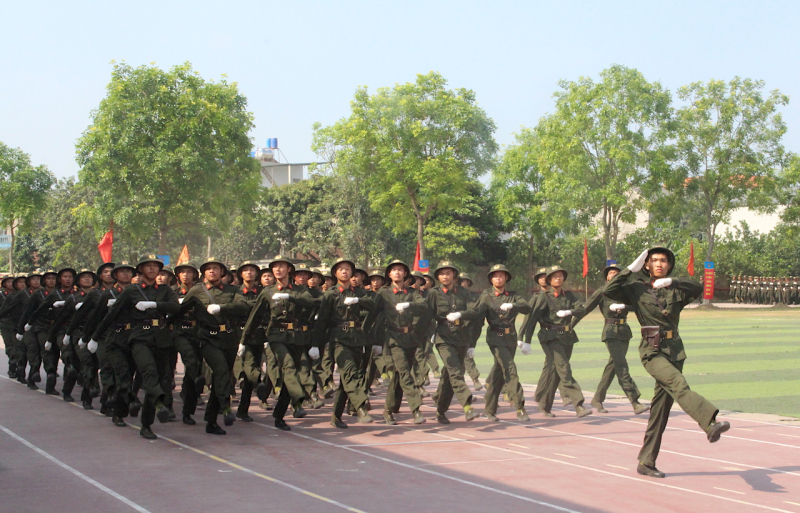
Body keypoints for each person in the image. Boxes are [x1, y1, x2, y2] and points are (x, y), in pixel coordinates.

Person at [604, 247, 730, 478]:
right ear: (647, 265)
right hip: (652, 351)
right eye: (654, 260)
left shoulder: (675, 290)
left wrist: (674, 281)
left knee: (661, 410)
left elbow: (698, 288)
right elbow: (609, 289)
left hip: (674, 351)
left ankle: (646, 461)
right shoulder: (636, 289)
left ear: (669, 265)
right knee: (679, 384)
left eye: (663, 260)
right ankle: (709, 423)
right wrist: (630, 269)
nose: (659, 264)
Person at [89, 256, 181, 439]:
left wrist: (156, 304)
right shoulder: (132, 291)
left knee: (159, 379)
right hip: (140, 337)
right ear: (140, 270)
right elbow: (111, 315)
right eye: (148, 266)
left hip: (161, 339)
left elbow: (175, 308)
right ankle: (157, 405)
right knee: (148, 373)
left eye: (155, 266)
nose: (152, 269)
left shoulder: (165, 290)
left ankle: (146, 424)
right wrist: (94, 337)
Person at [181, 257, 250, 435]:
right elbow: (183, 312)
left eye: (215, 268)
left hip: (228, 338)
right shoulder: (197, 290)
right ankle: (225, 407)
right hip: (207, 338)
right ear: (204, 273)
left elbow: (243, 306)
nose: (212, 271)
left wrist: (222, 308)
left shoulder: (232, 290)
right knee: (221, 371)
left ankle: (211, 421)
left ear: (222, 272)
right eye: (208, 268)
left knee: (222, 377)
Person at [520, 265, 592, 418]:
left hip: (567, 336)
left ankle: (544, 405)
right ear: (549, 280)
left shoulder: (569, 295)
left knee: (556, 372)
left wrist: (569, 311)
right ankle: (579, 404)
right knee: (564, 369)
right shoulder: (544, 297)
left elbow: (582, 310)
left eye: (560, 275)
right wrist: (527, 340)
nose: (558, 278)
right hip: (550, 337)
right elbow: (533, 319)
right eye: (554, 276)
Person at [577, 264, 649, 415]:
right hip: (610, 331)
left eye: (617, 273)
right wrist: (570, 325)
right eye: (611, 273)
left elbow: (637, 306)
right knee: (622, 366)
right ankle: (635, 401)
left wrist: (624, 307)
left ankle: (597, 398)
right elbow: (585, 309)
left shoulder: (625, 292)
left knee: (613, 366)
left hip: (624, 332)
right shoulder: (602, 291)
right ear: (607, 277)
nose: (614, 275)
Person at [363, 260, 428, 425]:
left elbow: (424, 307)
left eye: (400, 270)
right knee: (405, 373)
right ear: (389, 274)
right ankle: (416, 409)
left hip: (410, 338)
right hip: (393, 338)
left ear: (405, 273)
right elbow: (373, 314)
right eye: (394, 270)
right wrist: (366, 335)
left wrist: (409, 305)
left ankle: (388, 410)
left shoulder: (412, 293)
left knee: (399, 376)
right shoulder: (384, 293)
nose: (397, 272)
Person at [314, 258, 376, 428]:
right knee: (350, 373)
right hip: (339, 339)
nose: (344, 271)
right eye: (341, 269)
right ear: (335, 273)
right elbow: (323, 320)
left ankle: (336, 416)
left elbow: (374, 305)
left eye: (347, 269)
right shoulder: (331, 294)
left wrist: (359, 301)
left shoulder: (359, 292)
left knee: (347, 380)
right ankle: (361, 408)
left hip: (356, 338)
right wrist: (315, 344)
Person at [472, 264, 532, 422]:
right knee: (510, 370)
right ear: (491, 279)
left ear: (506, 278)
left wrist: (513, 305)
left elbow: (527, 308)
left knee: (498, 373)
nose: (498, 278)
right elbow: (478, 320)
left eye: (501, 275)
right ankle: (520, 407)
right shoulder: (486, 296)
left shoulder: (513, 296)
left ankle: (489, 410)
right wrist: (471, 343)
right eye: (495, 275)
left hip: (510, 337)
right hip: (495, 338)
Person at [428, 261, 480, 423]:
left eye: (448, 273)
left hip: (461, 336)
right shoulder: (434, 293)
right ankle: (467, 406)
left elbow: (474, 311)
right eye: (442, 273)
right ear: (438, 277)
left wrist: (460, 315)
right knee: (455, 371)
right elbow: (426, 315)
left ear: (454, 276)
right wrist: (428, 334)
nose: (445, 276)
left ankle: (440, 411)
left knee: (449, 376)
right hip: (444, 337)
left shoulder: (463, 293)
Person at [459, 272, 483, 392]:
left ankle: (473, 380)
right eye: (459, 281)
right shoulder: (453, 296)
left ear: (468, 282)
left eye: (463, 281)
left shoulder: (475, 297)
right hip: (455, 330)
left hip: (470, 329)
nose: (461, 283)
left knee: (466, 356)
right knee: (457, 360)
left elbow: (478, 315)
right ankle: (474, 379)